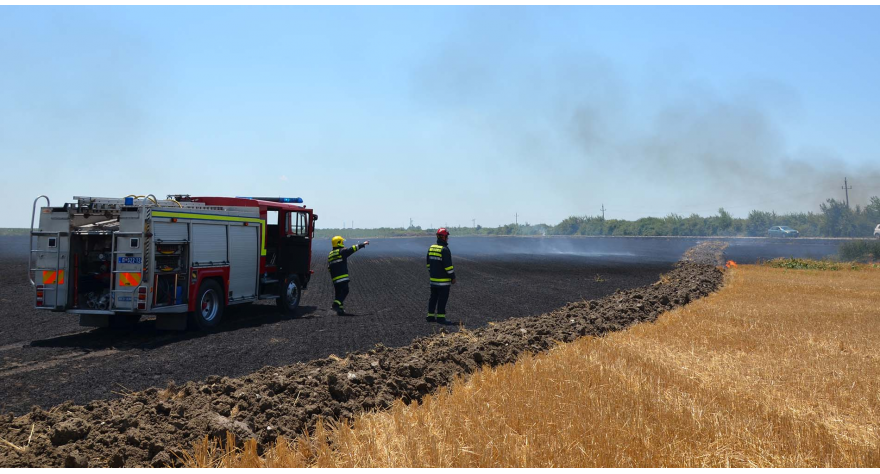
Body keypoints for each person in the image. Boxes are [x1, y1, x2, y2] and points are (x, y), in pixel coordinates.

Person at [328, 235, 369, 315]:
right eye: (342, 241)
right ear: (339, 243)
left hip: (335, 279)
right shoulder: (342, 251)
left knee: (338, 294)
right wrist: (362, 244)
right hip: (342, 277)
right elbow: (352, 249)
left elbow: (329, 267)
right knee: (345, 290)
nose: (343, 243)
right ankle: (335, 305)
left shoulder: (331, 254)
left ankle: (340, 310)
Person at [426, 228, 455, 324]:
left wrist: (433, 273)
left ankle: (430, 316)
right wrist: (453, 277)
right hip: (443, 282)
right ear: (443, 237)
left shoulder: (431, 247)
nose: (447, 238)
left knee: (433, 298)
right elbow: (448, 267)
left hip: (433, 280)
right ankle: (441, 318)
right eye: (447, 236)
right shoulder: (444, 249)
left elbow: (428, 264)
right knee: (442, 299)